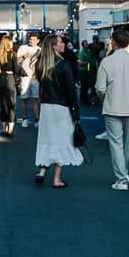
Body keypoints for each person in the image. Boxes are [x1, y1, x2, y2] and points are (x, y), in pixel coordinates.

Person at [95, 29, 129, 191]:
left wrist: (104, 98)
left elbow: (100, 88)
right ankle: (124, 172)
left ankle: (121, 178)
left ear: (113, 42)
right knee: (126, 143)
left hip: (112, 107)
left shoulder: (106, 62)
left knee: (116, 143)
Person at [33, 34, 82, 188]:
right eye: (61, 42)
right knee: (62, 141)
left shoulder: (41, 65)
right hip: (62, 106)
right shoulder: (64, 64)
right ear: (54, 46)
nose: (64, 45)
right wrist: (76, 113)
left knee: (47, 140)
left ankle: (41, 171)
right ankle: (57, 179)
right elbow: (70, 91)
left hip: (46, 107)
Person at [0, 35, 19, 136]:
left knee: (3, 105)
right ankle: (10, 130)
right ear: (8, 43)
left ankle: (4, 129)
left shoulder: (0, 55)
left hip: (2, 80)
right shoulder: (13, 54)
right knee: (12, 105)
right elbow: (16, 69)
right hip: (10, 79)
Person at [16, 33, 41, 128]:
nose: (31, 41)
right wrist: (24, 56)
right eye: (30, 39)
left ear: (38, 40)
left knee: (36, 99)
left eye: (34, 39)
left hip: (35, 77)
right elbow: (17, 61)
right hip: (25, 77)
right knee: (24, 99)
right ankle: (24, 119)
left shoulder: (40, 50)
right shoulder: (23, 48)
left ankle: (37, 119)